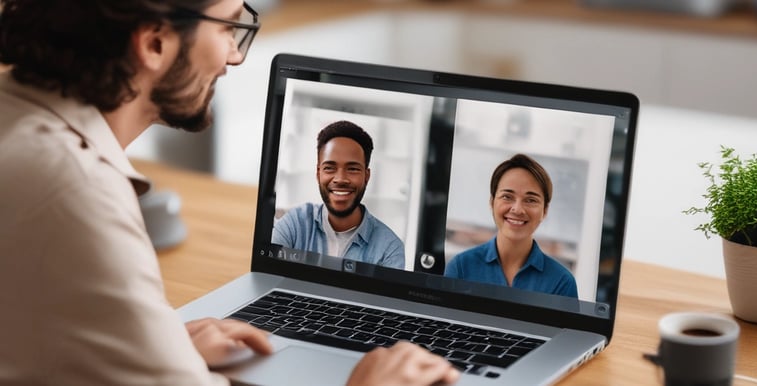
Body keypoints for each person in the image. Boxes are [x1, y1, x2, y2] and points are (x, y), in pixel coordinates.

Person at [0, 1, 459, 385]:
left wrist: (160, 348)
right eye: (227, 26)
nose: (234, 57)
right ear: (154, 43)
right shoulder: (77, 194)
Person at [272, 120, 406, 269]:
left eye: (353, 169)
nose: (341, 179)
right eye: (329, 168)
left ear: (366, 176)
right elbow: (269, 273)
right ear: (318, 174)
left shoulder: (390, 248)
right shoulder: (295, 223)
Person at [444, 154, 578, 298]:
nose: (517, 209)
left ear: (544, 211)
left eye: (530, 200)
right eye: (507, 197)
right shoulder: (461, 267)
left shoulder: (561, 283)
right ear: (492, 202)